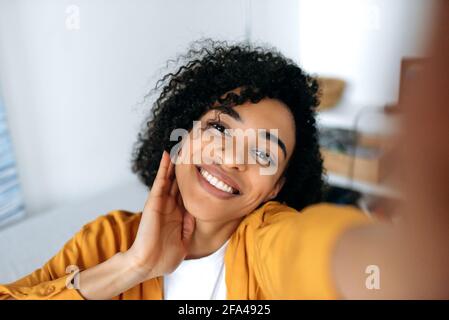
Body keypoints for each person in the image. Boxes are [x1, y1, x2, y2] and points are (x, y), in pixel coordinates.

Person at [1, 14, 448, 299]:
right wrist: (130, 267)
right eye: (218, 128)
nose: (232, 159)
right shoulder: (107, 241)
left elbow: (316, 251)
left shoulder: (265, 243)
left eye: (264, 154)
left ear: (275, 188)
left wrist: (406, 259)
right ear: (183, 133)